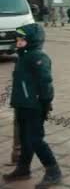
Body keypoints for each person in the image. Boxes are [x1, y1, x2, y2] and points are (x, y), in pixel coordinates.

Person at [3, 24, 62, 187]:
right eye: (17, 38)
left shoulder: (38, 57)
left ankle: (53, 170)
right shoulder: (23, 55)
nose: (18, 41)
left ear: (32, 41)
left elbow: (46, 83)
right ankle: (23, 168)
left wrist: (45, 102)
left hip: (34, 106)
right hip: (22, 104)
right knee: (24, 138)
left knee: (36, 139)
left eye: (21, 39)